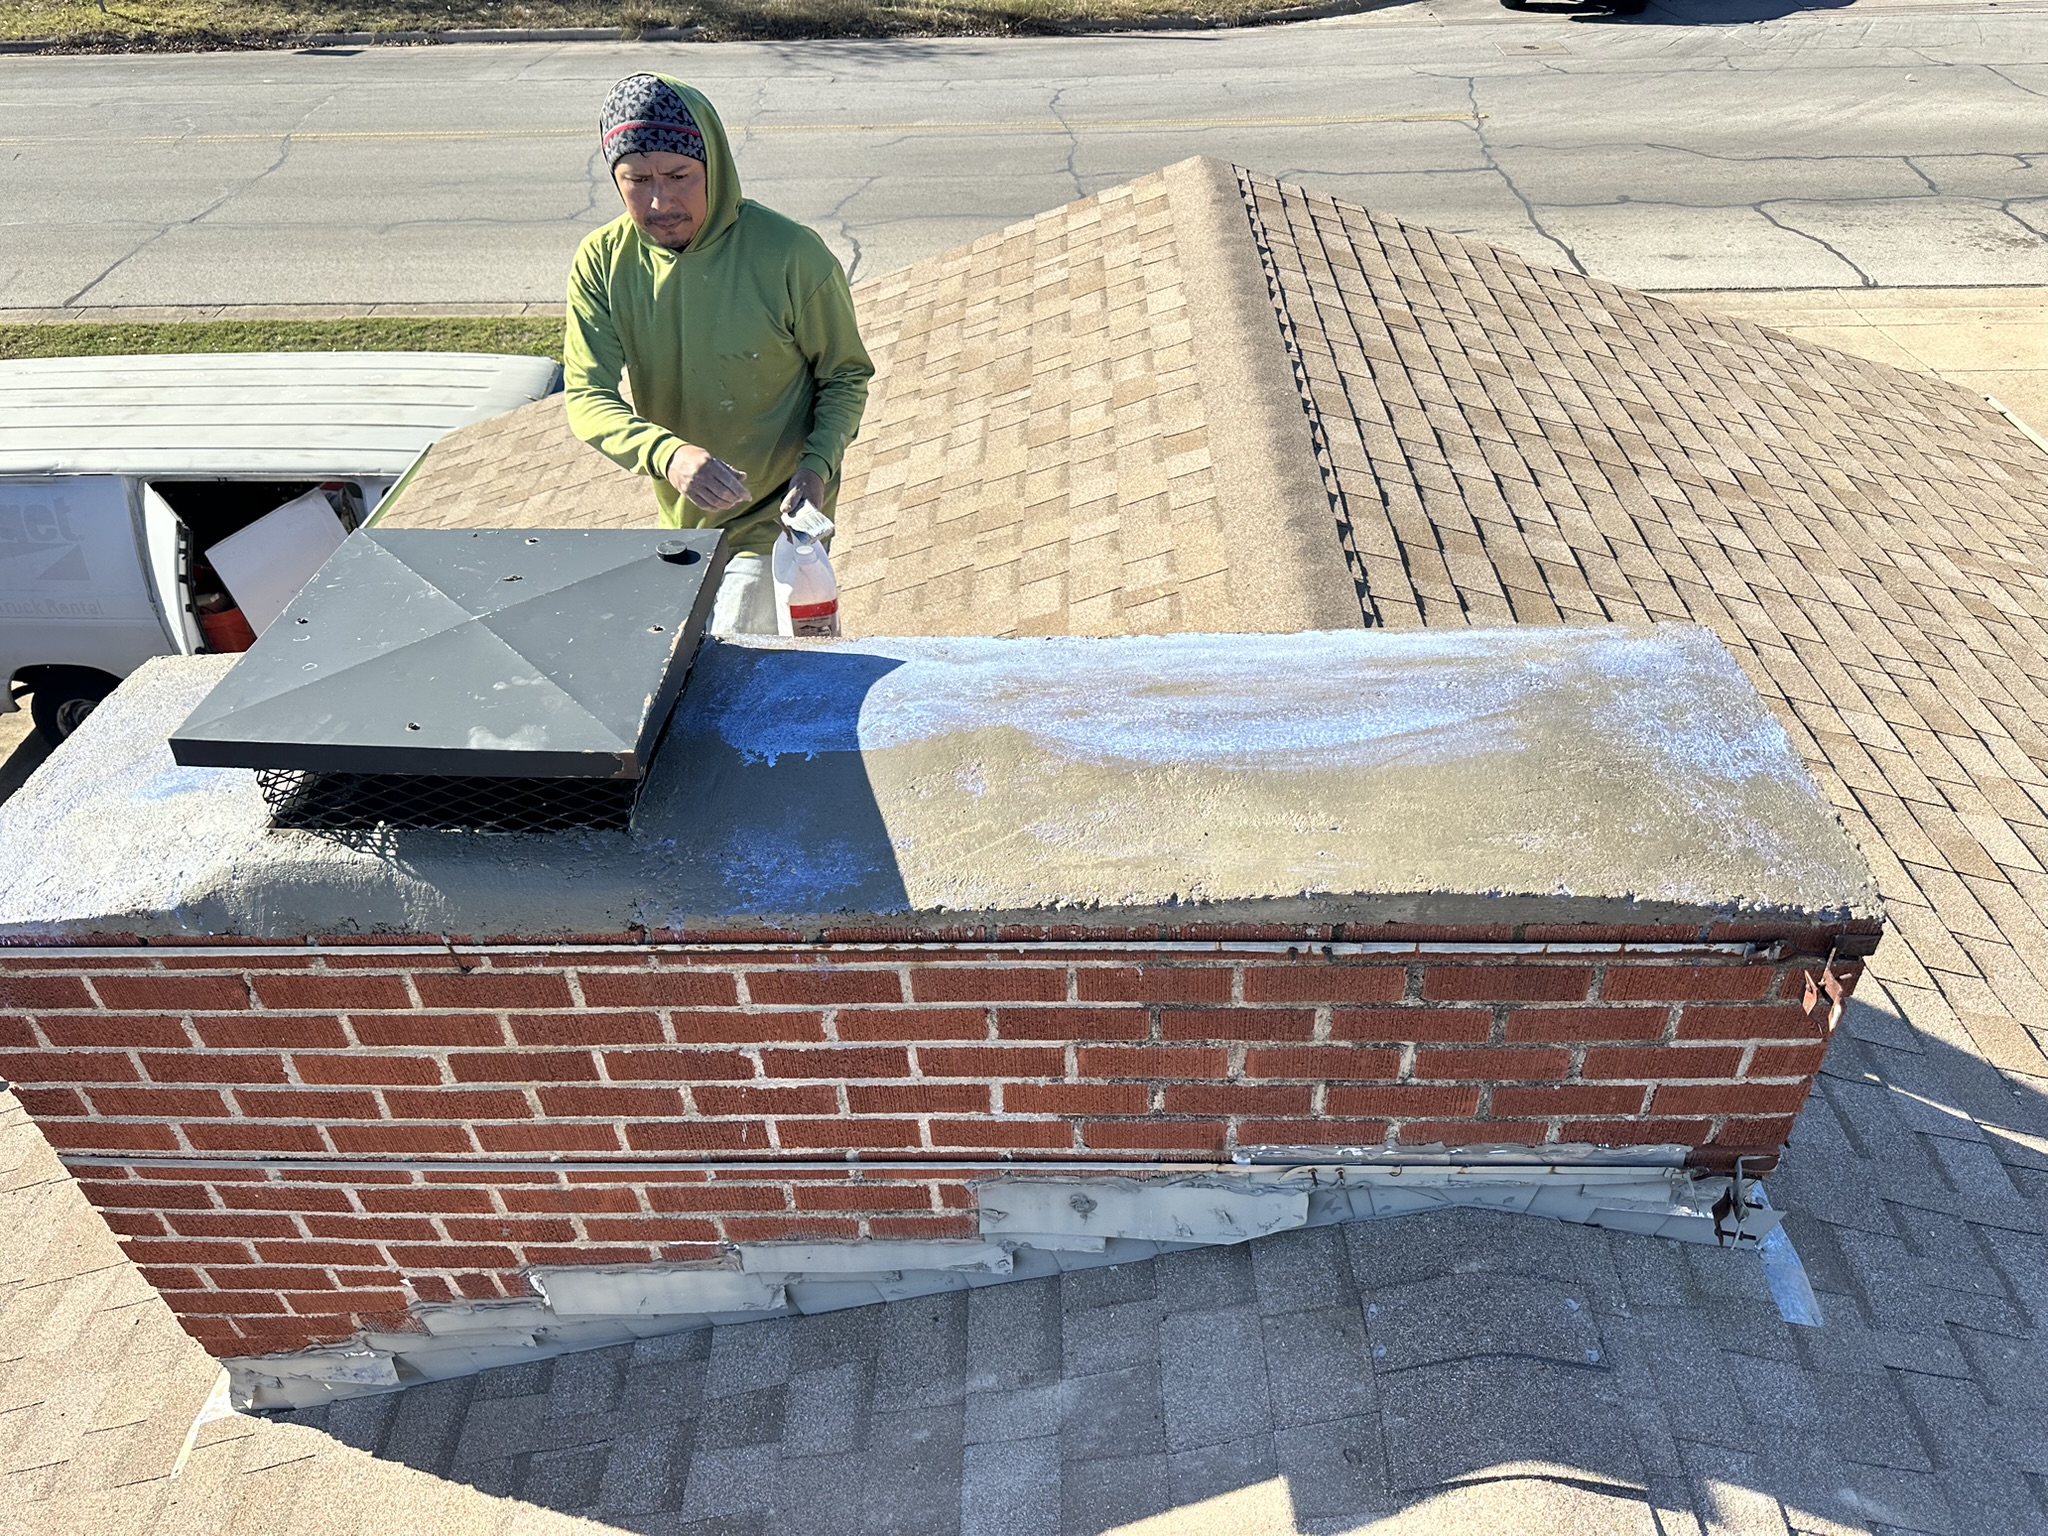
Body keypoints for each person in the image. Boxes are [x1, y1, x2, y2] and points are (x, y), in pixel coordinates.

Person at [564, 74, 873, 634]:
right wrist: (668, 454)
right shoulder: (602, 261)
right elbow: (587, 396)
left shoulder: (791, 255)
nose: (661, 201)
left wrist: (817, 468)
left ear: (716, 167)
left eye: (680, 176)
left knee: (729, 659)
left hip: (776, 525)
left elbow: (845, 377)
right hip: (684, 529)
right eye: (637, 180)